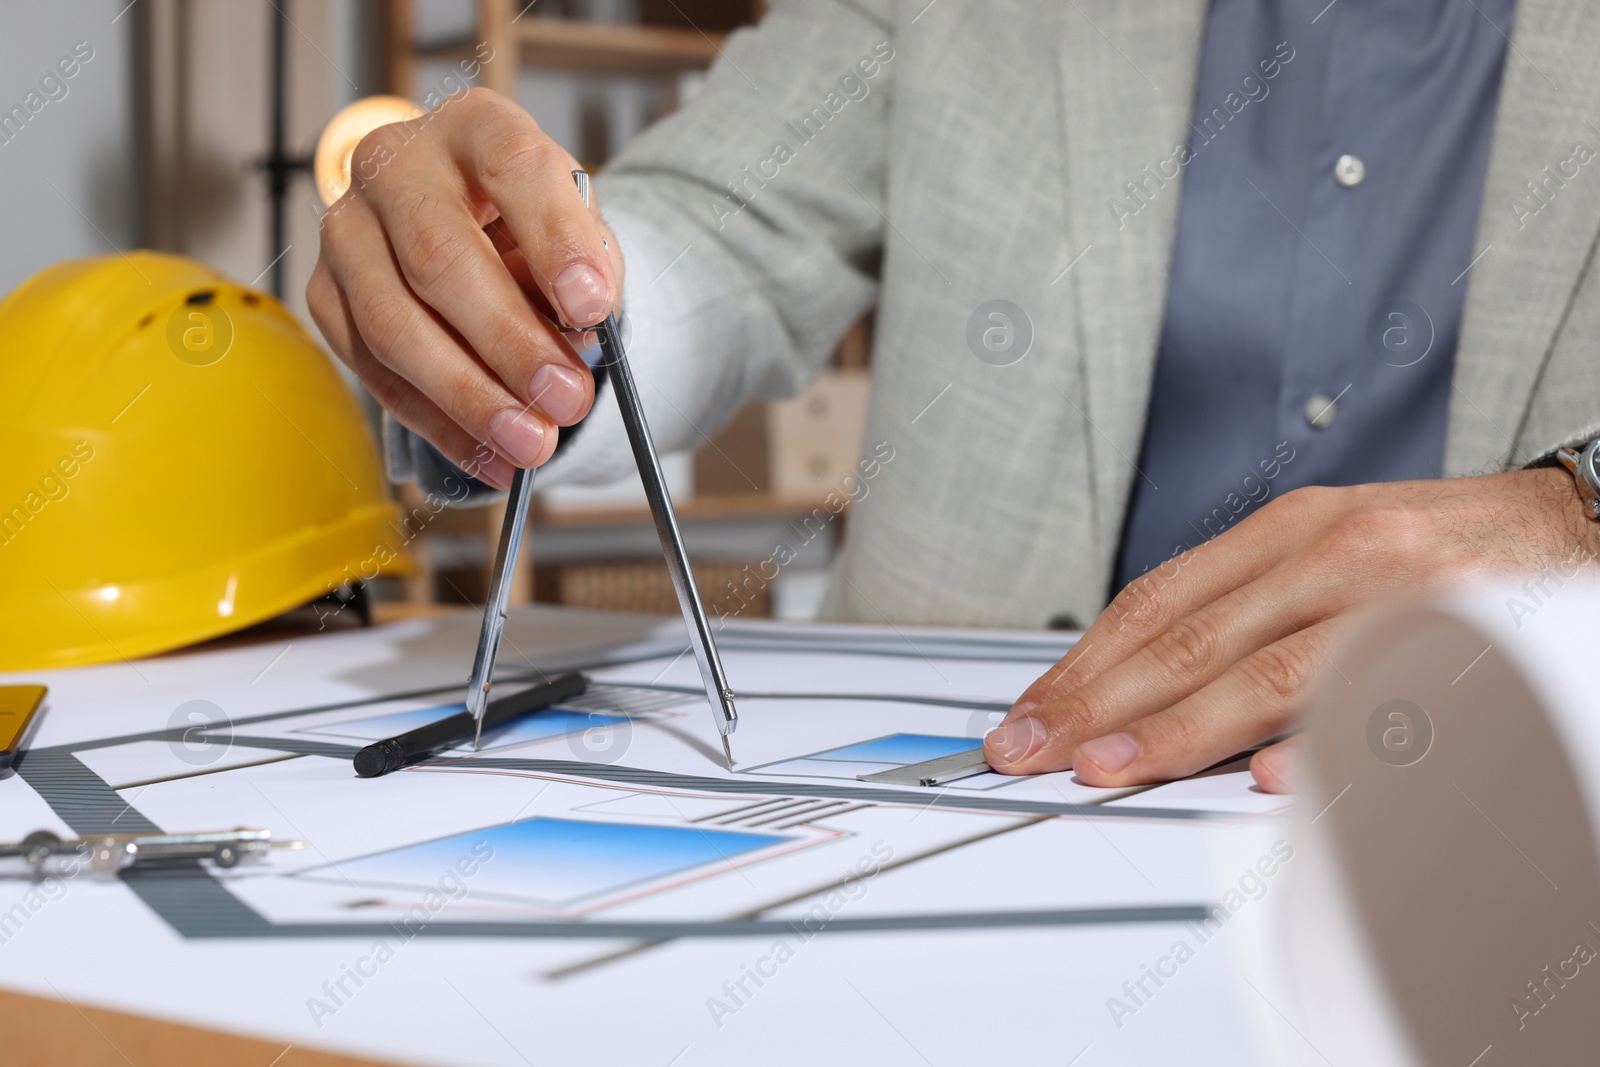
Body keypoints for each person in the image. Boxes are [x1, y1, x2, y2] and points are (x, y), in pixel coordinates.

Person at [308, 0, 1600, 795]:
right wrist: (525, 297)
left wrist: (1579, 514)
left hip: (1495, 813)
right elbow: (728, 228)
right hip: (970, 788)